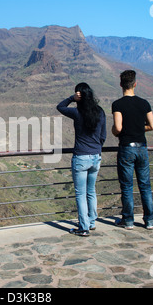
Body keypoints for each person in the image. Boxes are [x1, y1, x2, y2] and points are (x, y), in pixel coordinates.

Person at [57, 83, 106, 236]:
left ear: (80, 96)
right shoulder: (100, 112)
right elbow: (103, 136)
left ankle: (83, 228)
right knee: (91, 191)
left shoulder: (77, 113)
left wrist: (72, 98)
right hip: (96, 157)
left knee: (80, 194)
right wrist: (96, 148)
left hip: (81, 158)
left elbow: (60, 106)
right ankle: (91, 222)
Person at [111, 70, 153, 230]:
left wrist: (114, 130)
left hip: (126, 149)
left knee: (127, 186)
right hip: (142, 148)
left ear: (121, 85)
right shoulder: (144, 103)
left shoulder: (118, 104)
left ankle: (128, 221)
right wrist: (138, 127)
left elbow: (118, 128)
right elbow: (152, 125)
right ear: (135, 84)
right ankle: (150, 221)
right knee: (145, 185)